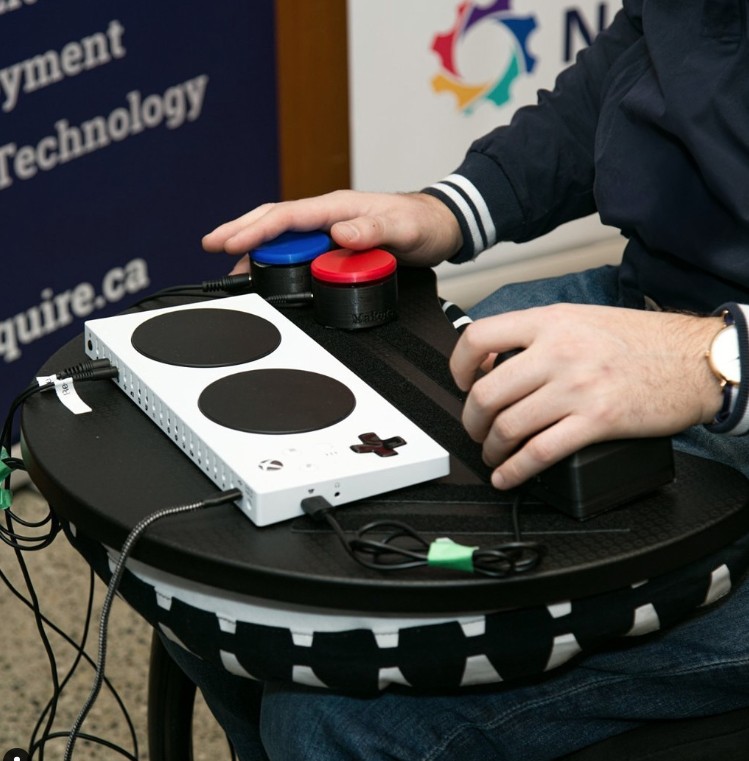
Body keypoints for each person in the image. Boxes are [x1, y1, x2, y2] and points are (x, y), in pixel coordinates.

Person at [165, 1, 749, 758]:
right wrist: (443, 209)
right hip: (656, 302)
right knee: (239, 575)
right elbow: (640, 65)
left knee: (327, 718)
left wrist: (707, 360)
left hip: (710, 355)